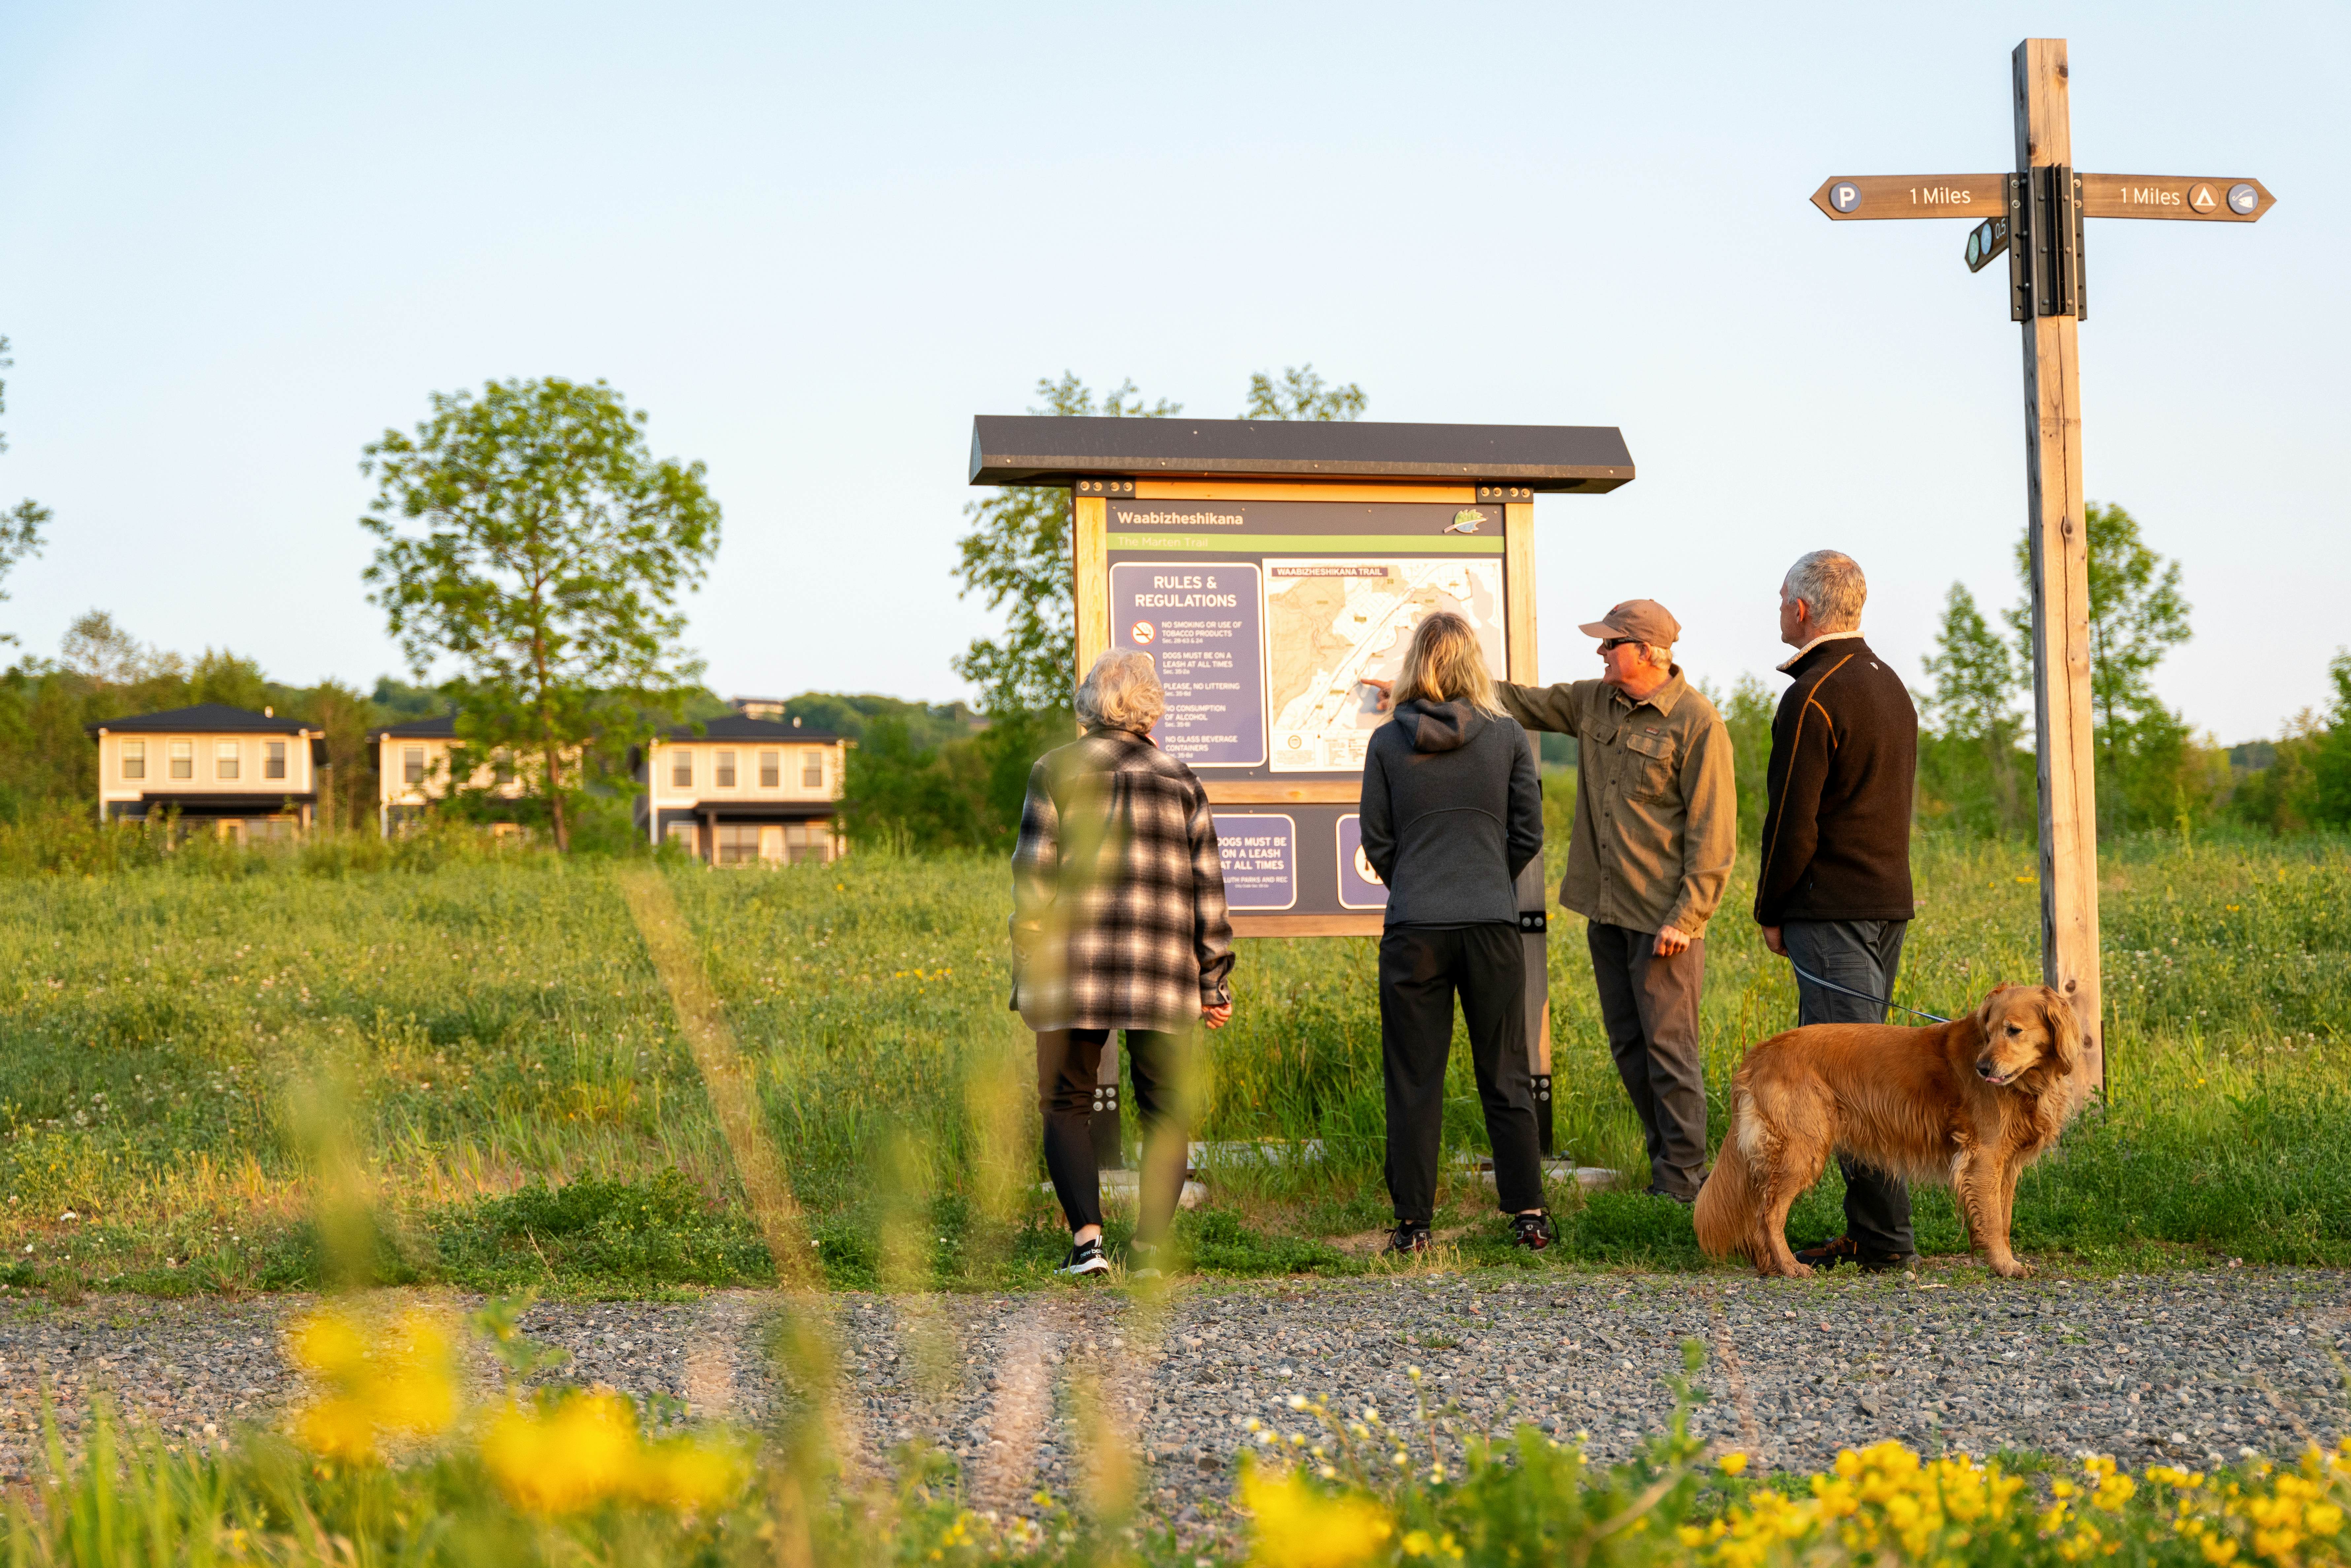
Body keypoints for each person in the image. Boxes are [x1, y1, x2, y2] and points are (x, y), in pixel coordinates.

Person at [1401, 599, 1735, 1205]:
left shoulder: (1697, 722)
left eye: (1611, 644)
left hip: (1664, 923)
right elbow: (1519, 700)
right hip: (1605, 914)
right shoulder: (1592, 701)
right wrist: (1431, 685)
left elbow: (1714, 835)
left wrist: (1688, 918)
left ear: (1646, 652)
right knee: (1631, 1047)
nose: (1600, 652)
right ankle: (1669, 1168)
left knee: (1670, 1051)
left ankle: (1684, 1185)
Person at [1010, 649, 1234, 1278]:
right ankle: (1150, 1252)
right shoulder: (1182, 779)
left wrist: (1029, 955)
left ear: (1089, 703)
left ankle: (1087, 1243)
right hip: (1161, 969)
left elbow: (1033, 877)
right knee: (1165, 1111)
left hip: (1069, 965)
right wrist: (1213, 981)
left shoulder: (1054, 770)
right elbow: (1206, 890)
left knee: (1065, 1103)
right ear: (1150, 706)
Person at [1359, 612, 1551, 1254]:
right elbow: (1529, 831)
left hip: (1414, 926)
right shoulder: (1506, 736)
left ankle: (1413, 1225)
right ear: (1473, 663)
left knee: (1414, 1079)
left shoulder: (1388, 743)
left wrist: (1417, 880)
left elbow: (1378, 840)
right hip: (1490, 926)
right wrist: (1486, 881)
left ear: (1415, 663)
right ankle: (1528, 1215)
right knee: (1506, 1073)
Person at [1755, 550, 1921, 1272]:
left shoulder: (1813, 694)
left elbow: (1794, 821)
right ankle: (1872, 1234)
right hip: (1887, 902)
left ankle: (1885, 1243)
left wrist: (1771, 907)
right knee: (1873, 1071)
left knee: (1846, 1079)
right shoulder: (1888, 685)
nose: (1777, 609)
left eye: (1780, 599)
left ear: (1801, 609)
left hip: (1832, 910)